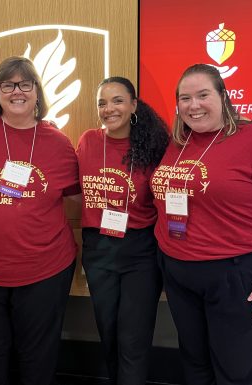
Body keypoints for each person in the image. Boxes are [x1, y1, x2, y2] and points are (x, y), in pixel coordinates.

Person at [0, 56, 79, 385]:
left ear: (37, 92)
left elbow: (78, 201)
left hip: (44, 272)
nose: (17, 91)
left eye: (25, 83)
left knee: (38, 358)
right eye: (8, 84)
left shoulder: (59, 144)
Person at [151, 63, 252, 385]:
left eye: (203, 95)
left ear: (224, 96)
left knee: (240, 372)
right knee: (196, 364)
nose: (193, 105)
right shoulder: (178, 144)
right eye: (185, 98)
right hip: (180, 272)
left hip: (236, 275)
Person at [76, 76, 169, 385]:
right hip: (98, 248)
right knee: (109, 332)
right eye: (102, 103)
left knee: (133, 338)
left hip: (139, 251)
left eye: (117, 101)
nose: (109, 109)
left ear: (133, 105)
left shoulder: (154, 147)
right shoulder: (88, 141)